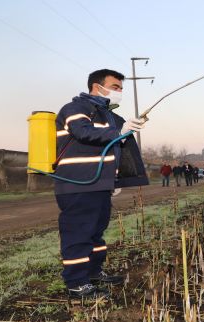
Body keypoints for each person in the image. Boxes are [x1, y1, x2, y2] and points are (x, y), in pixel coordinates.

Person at [54, 69, 149, 298]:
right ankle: (77, 283)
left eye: (121, 89)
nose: (119, 92)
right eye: (115, 87)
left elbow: (116, 151)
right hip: (77, 183)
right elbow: (83, 133)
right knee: (78, 233)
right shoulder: (75, 109)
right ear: (97, 86)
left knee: (95, 232)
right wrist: (119, 131)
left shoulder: (108, 116)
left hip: (98, 184)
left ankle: (94, 272)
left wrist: (114, 179)